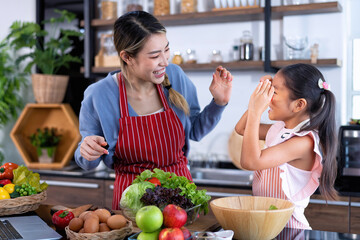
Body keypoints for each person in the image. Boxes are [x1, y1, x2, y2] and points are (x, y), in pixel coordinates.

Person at [74, 11, 233, 210]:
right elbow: (86, 160)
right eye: (154, 55)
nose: (165, 61)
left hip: (180, 199)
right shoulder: (99, 94)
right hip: (133, 203)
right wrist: (87, 151)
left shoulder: (175, 76)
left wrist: (219, 102)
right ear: (127, 57)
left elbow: (195, 131)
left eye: (166, 50)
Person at [235, 63, 338, 229]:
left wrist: (256, 109)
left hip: (289, 228)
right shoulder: (280, 130)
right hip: (268, 225)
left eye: (273, 92)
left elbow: (250, 162)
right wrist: (258, 96)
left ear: (298, 105)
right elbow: (241, 129)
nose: (268, 98)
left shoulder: (304, 142)